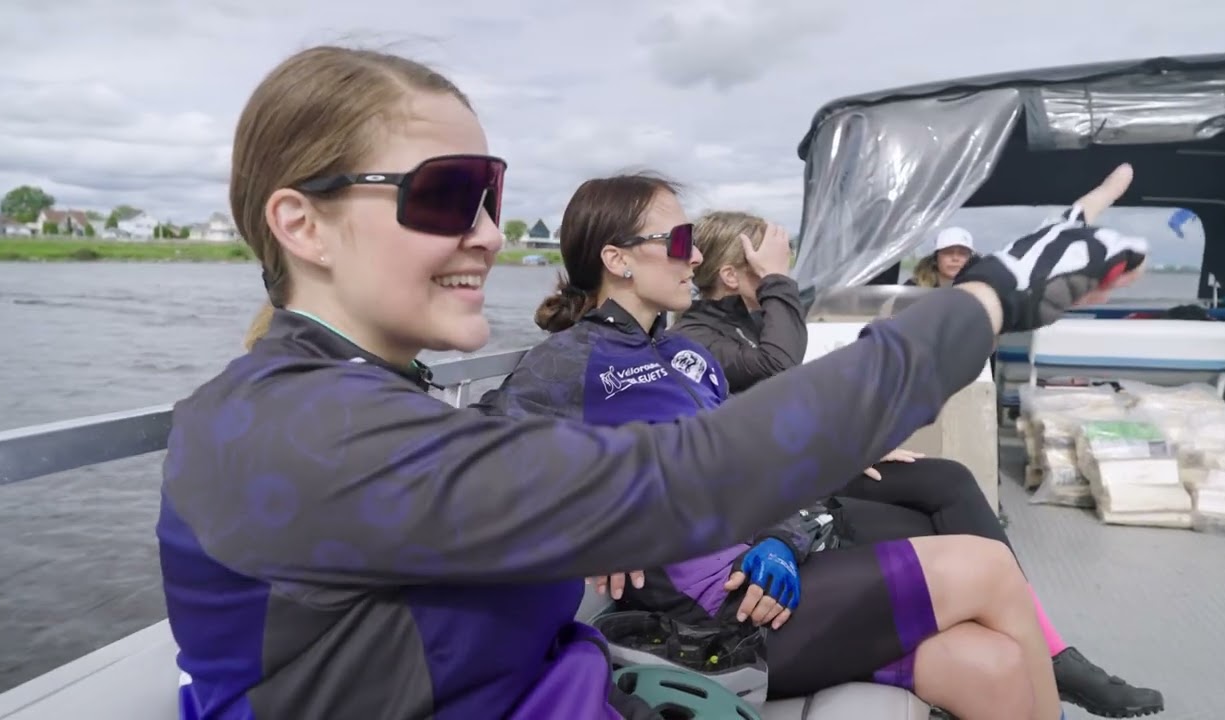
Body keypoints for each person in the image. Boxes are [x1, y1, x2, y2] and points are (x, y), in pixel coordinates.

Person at [157, 43, 1146, 720]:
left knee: (983, 659)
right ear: (301, 223)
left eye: (491, 195)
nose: (492, 234)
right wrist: (981, 302)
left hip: (590, 681)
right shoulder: (289, 430)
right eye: (449, 195)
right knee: (970, 586)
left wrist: (730, 528)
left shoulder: (361, 400)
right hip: (642, 649)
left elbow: (638, 467)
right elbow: (677, 476)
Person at [474, 169, 1146, 720]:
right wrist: (589, 521)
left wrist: (785, 537)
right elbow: (482, 456)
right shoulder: (571, 362)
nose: (696, 254)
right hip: (705, 618)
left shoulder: (685, 357)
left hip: (768, 583)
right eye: (678, 238)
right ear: (616, 259)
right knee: (985, 566)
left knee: (992, 668)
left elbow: (749, 465)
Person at [668, 210, 1165, 718]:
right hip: (783, 492)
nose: (782, 270)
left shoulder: (747, 319)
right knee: (931, 518)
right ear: (732, 275)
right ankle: (1046, 652)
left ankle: (1047, 649)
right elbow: (779, 368)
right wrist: (777, 284)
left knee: (945, 480)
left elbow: (791, 408)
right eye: (766, 262)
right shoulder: (697, 338)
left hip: (798, 473)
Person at [907, 226, 976, 287]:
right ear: (936, 257)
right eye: (948, 252)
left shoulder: (979, 288)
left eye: (962, 253)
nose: (955, 258)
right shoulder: (913, 287)